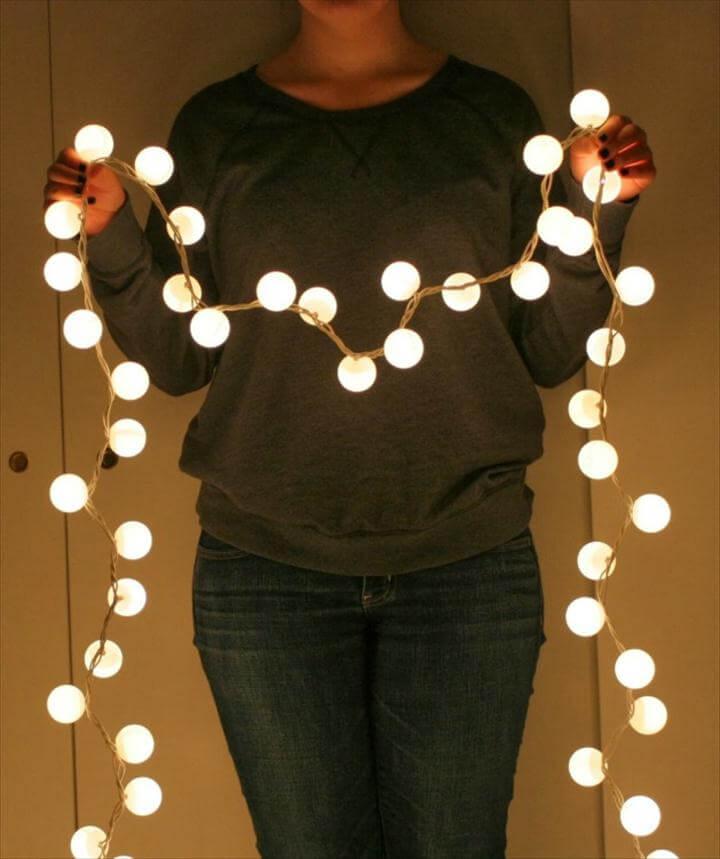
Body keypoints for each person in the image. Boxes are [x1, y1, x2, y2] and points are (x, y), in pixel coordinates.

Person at [42, 1, 656, 856]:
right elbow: (181, 355)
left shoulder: (492, 117)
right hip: (264, 577)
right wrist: (106, 236)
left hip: (467, 568)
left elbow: (549, 350)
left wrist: (603, 211)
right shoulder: (219, 127)